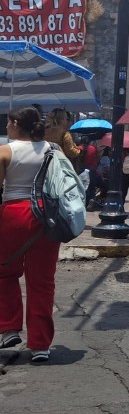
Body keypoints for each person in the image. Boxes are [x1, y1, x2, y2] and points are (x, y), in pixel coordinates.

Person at [0, 106, 60, 363]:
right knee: (42, 282)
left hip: (13, 215)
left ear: (15, 124)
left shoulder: (5, 151)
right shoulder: (53, 150)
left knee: (5, 273)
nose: (6, 127)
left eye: (8, 123)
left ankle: (9, 328)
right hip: (46, 217)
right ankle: (40, 345)